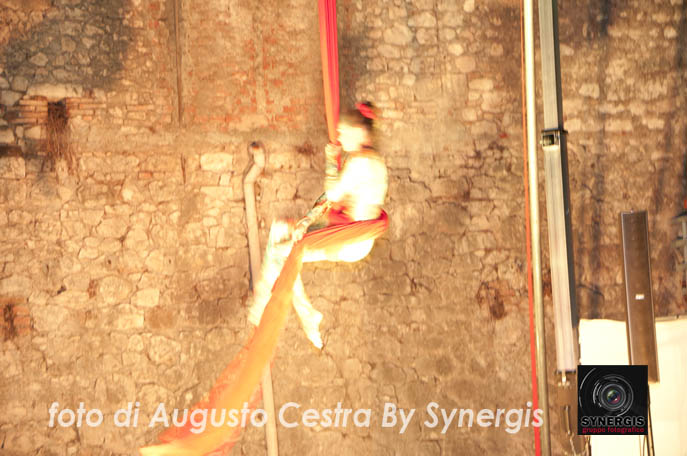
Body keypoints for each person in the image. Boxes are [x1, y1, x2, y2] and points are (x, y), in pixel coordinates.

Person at [247, 102, 388, 348]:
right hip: (349, 234)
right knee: (279, 231)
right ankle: (304, 313)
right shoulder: (371, 161)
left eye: (344, 133)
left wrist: (331, 161)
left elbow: (332, 194)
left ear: (359, 132)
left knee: (281, 253)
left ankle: (271, 307)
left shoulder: (361, 163)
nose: (340, 138)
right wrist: (307, 220)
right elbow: (329, 200)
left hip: (349, 240)